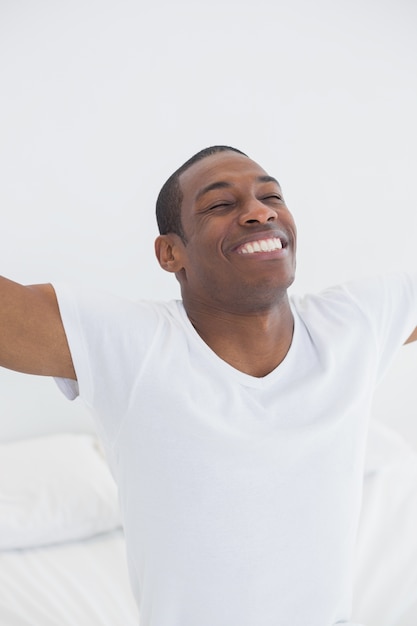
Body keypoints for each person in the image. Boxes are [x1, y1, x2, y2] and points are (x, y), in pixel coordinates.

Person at [1, 145, 416, 626]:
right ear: (170, 252)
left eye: (273, 197)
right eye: (221, 204)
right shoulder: (130, 344)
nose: (260, 211)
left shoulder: (353, 324)